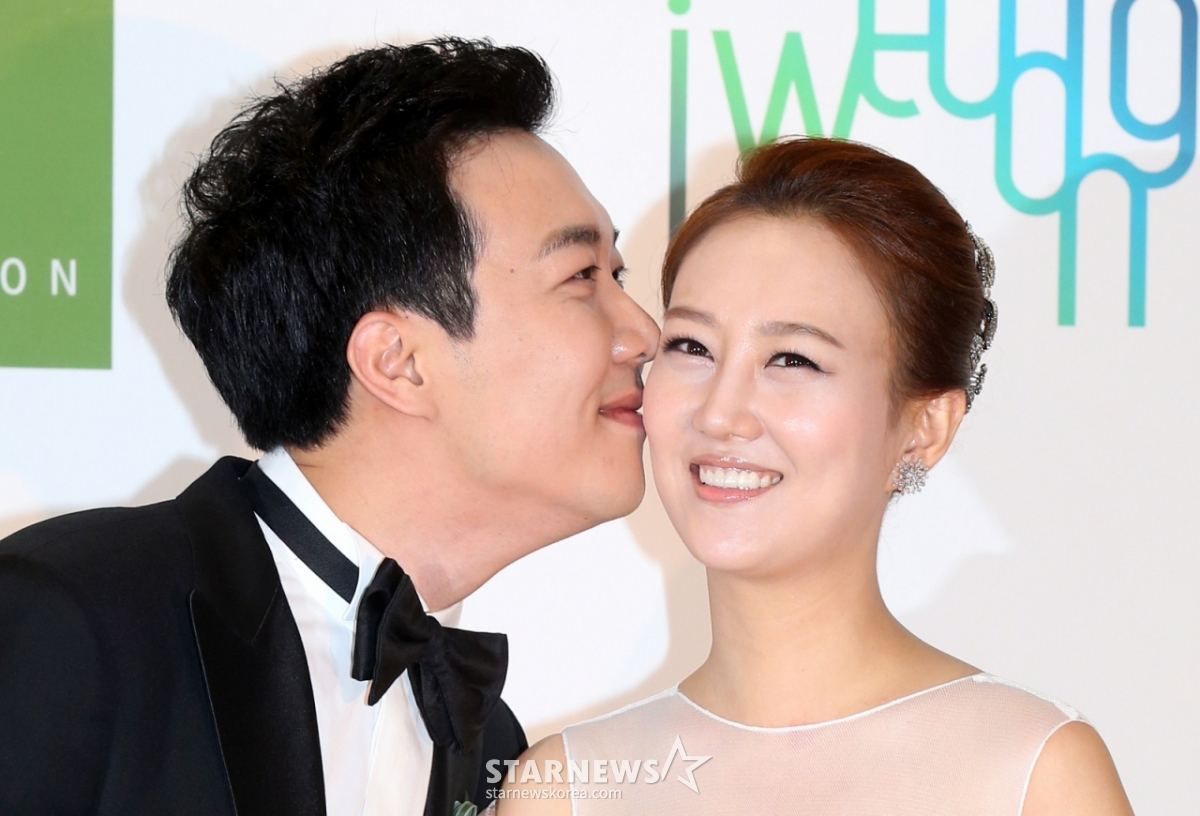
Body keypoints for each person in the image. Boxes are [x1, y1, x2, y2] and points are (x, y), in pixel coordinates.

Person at [0, 39, 658, 816]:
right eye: (582, 277)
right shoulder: (75, 616)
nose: (643, 332)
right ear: (397, 362)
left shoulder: (490, 746)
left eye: (617, 275)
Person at [497, 138, 1134, 815]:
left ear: (925, 426)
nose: (719, 414)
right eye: (692, 346)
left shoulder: (1032, 773)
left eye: (793, 360)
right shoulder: (564, 786)